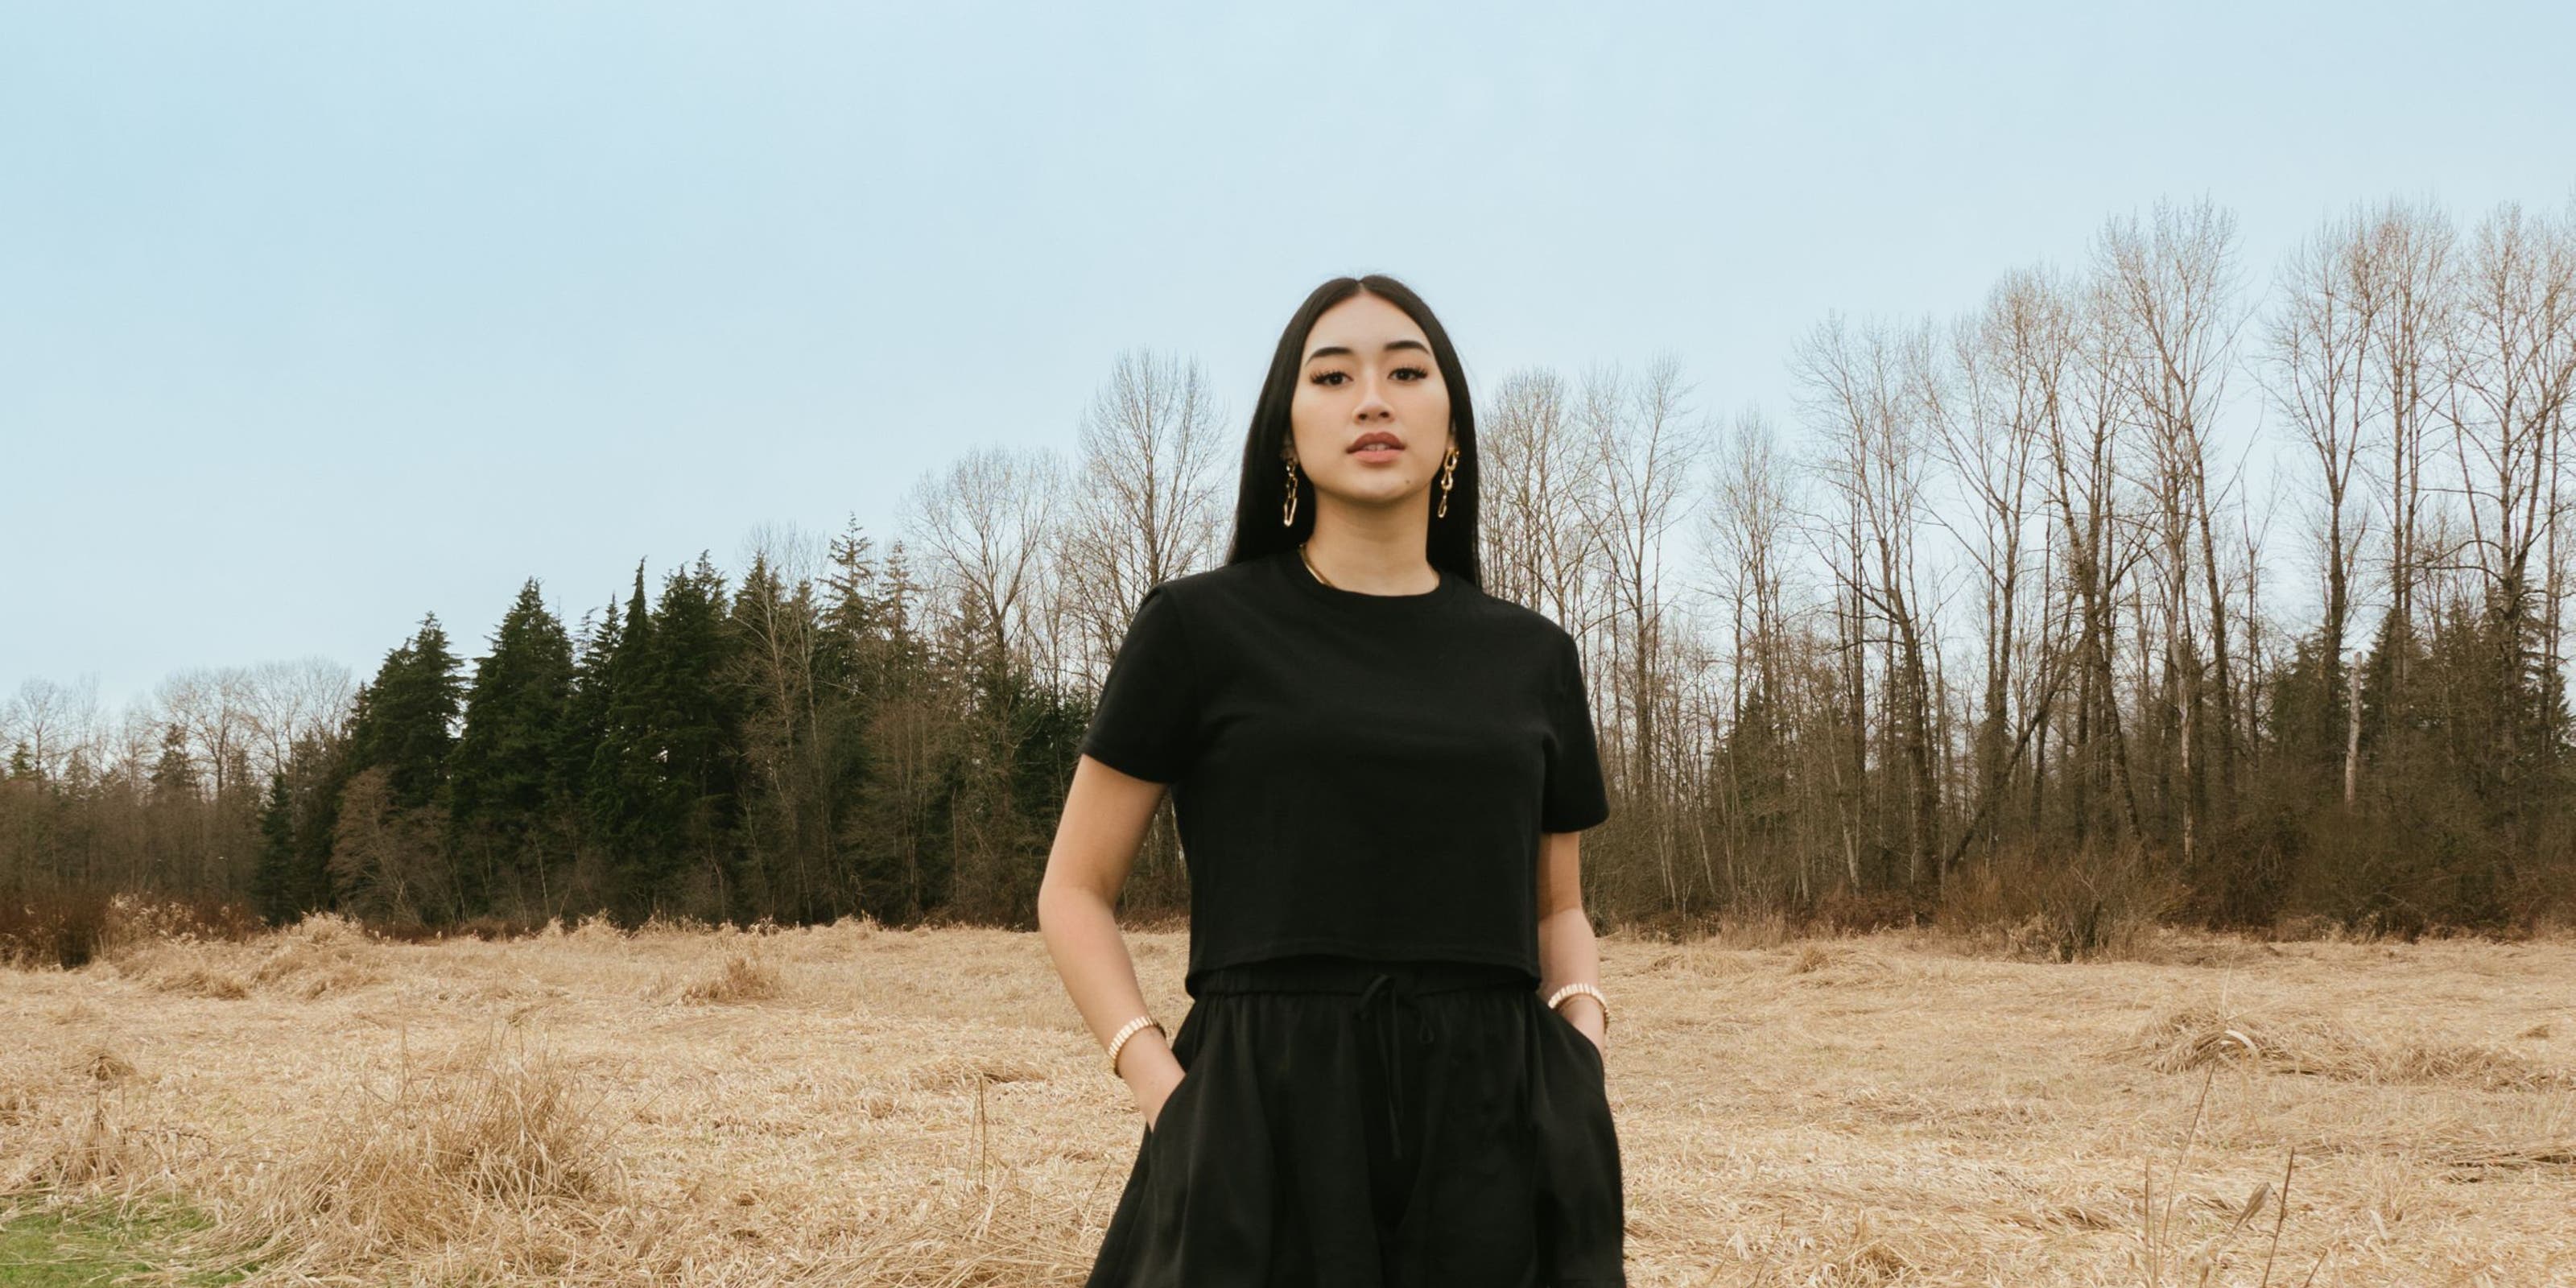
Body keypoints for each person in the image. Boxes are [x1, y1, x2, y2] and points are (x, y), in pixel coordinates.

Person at [1037, 273, 1622, 1287]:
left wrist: (1579, 1057)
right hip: (1256, 1124)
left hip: (1495, 1128)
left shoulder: (1532, 656)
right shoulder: (1196, 629)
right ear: (1284, 432)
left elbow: (1557, 905)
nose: (1372, 399)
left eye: (1406, 370)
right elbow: (1071, 888)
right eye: (1332, 375)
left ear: (1451, 431)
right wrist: (1166, 1092)